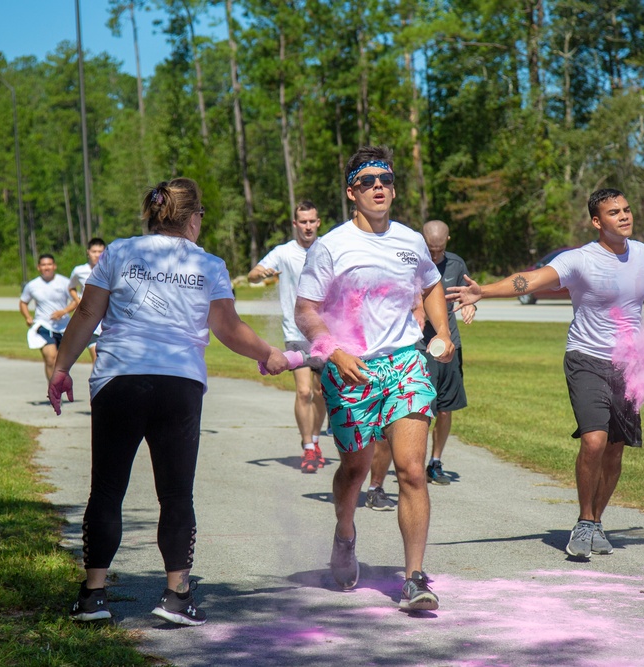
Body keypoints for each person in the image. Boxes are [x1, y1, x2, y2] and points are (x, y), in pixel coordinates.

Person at [47, 177, 289, 625]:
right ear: (193, 218)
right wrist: (269, 354)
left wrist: (61, 368)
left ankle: (93, 596)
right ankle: (176, 596)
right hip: (179, 384)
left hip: (119, 379)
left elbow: (86, 313)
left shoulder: (118, 251)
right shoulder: (210, 264)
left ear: (154, 215)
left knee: (107, 489)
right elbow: (228, 329)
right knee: (176, 493)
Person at [448, 188, 644, 559]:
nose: (624, 216)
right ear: (597, 221)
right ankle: (585, 521)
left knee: (616, 452)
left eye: (627, 208)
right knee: (594, 441)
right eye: (614, 212)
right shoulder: (579, 260)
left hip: (629, 365)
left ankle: (597, 522)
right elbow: (530, 280)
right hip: (586, 358)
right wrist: (485, 291)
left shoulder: (643, 253)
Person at [295, 145, 455, 611]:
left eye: (385, 179)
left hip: (405, 362)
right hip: (352, 369)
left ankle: (414, 578)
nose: (379, 187)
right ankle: (345, 533)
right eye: (368, 182)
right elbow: (306, 311)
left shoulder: (411, 241)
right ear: (352, 193)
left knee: (410, 469)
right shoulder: (330, 246)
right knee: (355, 468)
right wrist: (334, 350)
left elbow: (430, 285)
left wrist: (440, 329)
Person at [247, 202, 328, 473]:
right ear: (295, 224)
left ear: (318, 222)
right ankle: (307, 447)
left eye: (311, 221)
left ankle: (316, 441)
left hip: (325, 332)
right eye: (302, 221)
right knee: (304, 390)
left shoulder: (329, 248)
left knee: (321, 393)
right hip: (295, 331)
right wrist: (263, 273)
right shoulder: (283, 253)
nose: (307, 226)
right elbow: (253, 275)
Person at [419, 219, 476, 485]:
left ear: (448, 242)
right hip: (420, 347)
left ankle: (435, 462)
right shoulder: (413, 264)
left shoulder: (456, 263)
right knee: (421, 409)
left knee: (445, 408)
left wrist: (471, 306)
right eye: (430, 250)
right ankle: (413, 463)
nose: (435, 255)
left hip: (450, 346)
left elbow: (467, 295)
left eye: (439, 250)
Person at [20, 254, 74, 381]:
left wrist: (64, 311)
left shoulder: (64, 282)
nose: (47, 267)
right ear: (39, 267)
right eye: (43, 265)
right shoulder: (32, 285)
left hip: (64, 327)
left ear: (54, 266)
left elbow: (76, 301)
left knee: (61, 363)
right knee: (50, 358)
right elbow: (23, 302)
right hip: (43, 325)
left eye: (49, 264)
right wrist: (27, 317)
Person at [68, 238, 107, 362]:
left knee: (107, 361)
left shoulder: (110, 270)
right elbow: (71, 288)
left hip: (107, 321)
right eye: (94, 251)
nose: (97, 255)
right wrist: (79, 302)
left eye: (100, 251)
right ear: (88, 252)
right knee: (97, 359)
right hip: (89, 323)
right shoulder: (79, 271)